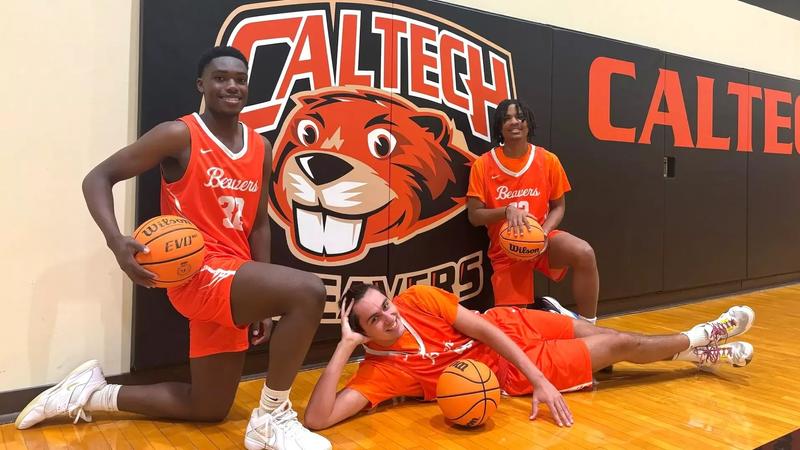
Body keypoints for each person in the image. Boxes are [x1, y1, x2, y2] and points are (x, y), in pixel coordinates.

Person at [15, 46, 331, 450]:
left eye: (240, 79)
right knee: (308, 291)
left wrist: (265, 301)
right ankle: (272, 418)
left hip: (236, 278)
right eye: (220, 78)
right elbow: (98, 177)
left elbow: (258, 225)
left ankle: (92, 393)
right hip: (197, 273)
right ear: (202, 85)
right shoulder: (179, 134)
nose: (232, 86)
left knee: (208, 406)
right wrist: (116, 241)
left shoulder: (261, 147)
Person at [303, 283, 754, 430]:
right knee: (620, 345)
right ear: (362, 332)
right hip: (504, 374)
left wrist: (540, 378)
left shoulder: (418, 299)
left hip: (508, 326)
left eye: (386, 305)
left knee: (610, 335)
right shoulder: (381, 372)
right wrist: (344, 347)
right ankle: (705, 335)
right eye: (375, 319)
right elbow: (319, 419)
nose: (389, 316)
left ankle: (700, 354)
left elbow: (482, 328)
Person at [466, 98, 599, 322]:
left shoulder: (548, 160)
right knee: (516, 326)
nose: (514, 122)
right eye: (507, 118)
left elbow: (558, 207)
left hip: (541, 240)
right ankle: (548, 312)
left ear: (529, 124)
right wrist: (505, 211)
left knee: (584, 253)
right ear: (499, 126)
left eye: (520, 117)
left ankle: (589, 324)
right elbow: (474, 216)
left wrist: (544, 233)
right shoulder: (483, 164)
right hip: (507, 248)